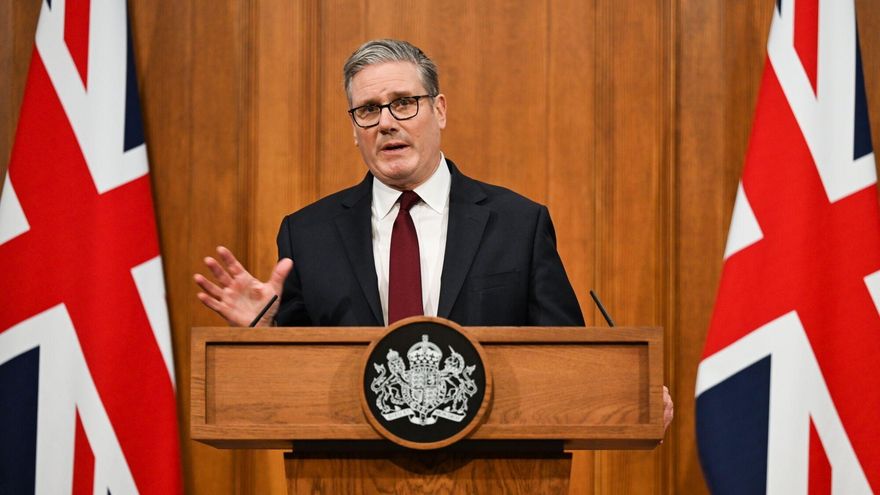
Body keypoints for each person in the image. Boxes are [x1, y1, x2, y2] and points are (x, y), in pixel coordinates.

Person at [193, 39, 673, 429]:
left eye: (403, 103)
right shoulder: (307, 234)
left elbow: (566, 360)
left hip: (501, 472)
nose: (386, 123)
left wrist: (625, 392)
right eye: (368, 110)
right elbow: (295, 382)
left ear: (439, 110)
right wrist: (265, 330)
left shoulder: (517, 223)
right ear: (354, 127)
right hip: (345, 472)